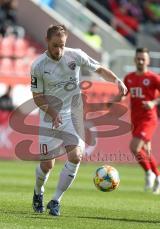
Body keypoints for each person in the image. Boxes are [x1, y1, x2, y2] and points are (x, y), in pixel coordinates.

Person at [30, 24, 127, 216]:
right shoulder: (38, 65)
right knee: (47, 165)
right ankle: (38, 191)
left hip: (72, 115)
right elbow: (37, 97)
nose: (59, 50)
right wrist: (53, 113)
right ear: (47, 41)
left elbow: (98, 69)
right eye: (55, 45)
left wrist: (117, 80)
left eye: (62, 45)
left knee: (75, 156)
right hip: (49, 118)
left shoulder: (75, 55)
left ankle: (56, 200)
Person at [123, 47, 160, 194]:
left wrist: (153, 103)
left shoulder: (154, 78)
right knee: (146, 150)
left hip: (149, 118)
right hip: (135, 119)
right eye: (138, 58)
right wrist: (115, 100)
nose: (140, 61)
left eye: (143, 59)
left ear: (148, 60)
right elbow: (124, 94)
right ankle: (157, 176)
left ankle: (149, 173)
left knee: (134, 147)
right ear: (134, 59)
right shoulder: (129, 77)